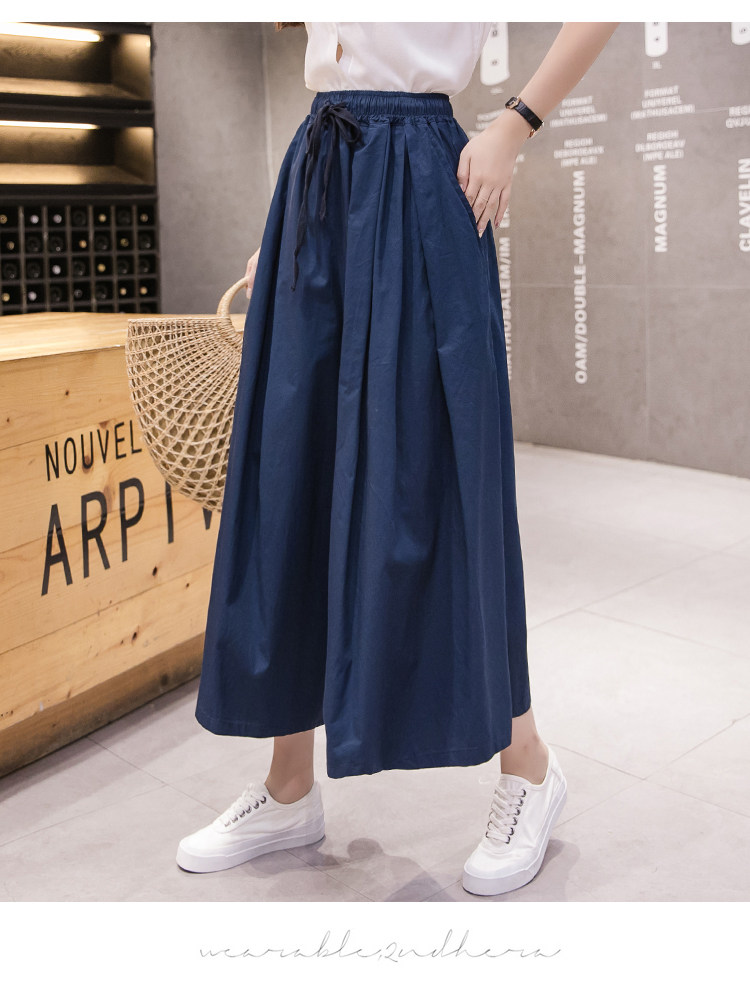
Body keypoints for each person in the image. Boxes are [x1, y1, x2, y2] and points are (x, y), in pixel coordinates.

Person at [177, 21, 619, 896]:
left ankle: (528, 766)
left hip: (420, 174)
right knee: (292, 472)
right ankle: (289, 786)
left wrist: (516, 123)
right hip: (321, 171)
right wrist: (296, 224)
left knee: (444, 478)